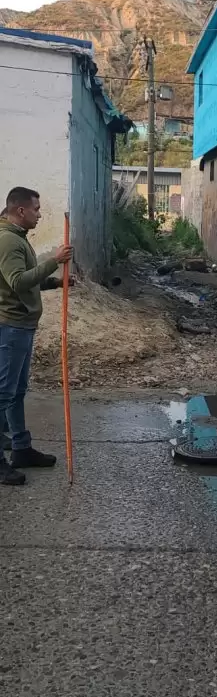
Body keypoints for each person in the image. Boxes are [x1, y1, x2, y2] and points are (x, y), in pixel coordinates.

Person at [0, 188, 73, 486]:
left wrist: (55, 282)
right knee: (3, 394)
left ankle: (21, 448)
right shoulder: (7, 241)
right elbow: (18, 283)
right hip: (10, 327)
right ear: (20, 211)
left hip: (22, 325)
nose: (40, 215)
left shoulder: (17, 238)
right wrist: (54, 260)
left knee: (16, 392)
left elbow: (23, 282)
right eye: (37, 209)